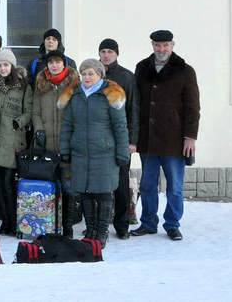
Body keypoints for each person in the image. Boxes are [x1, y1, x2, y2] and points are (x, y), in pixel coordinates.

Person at [130, 30, 200, 241]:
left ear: (172, 45)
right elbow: (136, 103)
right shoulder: (142, 68)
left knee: (175, 188)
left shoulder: (185, 70)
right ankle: (149, 223)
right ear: (152, 45)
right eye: (158, 45)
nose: (161, 50)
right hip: (148, 138)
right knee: (147, 185)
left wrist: (190, 136)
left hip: (174, 139)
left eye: (165, 45)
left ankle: (172, 224)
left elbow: (193, 106)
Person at [58, 58, 129, 247]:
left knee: (104, 193)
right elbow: (67, 124)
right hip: (81, 152)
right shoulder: (76, 95)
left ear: (99, 74)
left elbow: (120, 126)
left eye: (91, 73)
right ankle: (90, 230)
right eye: (84, 73)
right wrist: (65, 148)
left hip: (104, 152)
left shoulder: (110, 95)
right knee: (86, 192)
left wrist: (123, 153)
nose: (87, 77)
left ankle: (102, 231)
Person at [0, 47, 33, 235]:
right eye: (0, 65)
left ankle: (13, 220)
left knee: (8, 184)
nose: (3, 68)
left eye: (6, 64)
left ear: (12, 65)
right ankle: (5, 221)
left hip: (11, 139)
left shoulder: (23, 85)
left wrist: (17, 122)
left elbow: (29, 111)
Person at [32, 49, 81, 236]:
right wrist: (39, 130)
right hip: (45, 146)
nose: (54, 65)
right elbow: (35, 112)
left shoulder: (73, 85)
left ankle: (67, 226)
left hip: (66, 144)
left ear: (64, 64)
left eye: (57, 62)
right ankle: (49, 225)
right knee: (48, 188)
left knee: (68, 188)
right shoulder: (41, 83)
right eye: (50, 62)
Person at [98, 38, 140, 239]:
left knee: (121, 184)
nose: (106, 55)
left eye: (110, 52)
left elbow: (133, 110)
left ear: (117, 54)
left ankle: (122, 226)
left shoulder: (126, 77)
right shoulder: (94, 76)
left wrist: (132, 140)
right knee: (100, 183)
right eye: (103, 51)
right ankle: (100, 222)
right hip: (99, 140)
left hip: (121, 139)